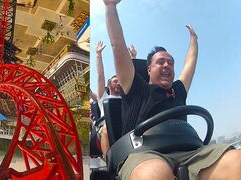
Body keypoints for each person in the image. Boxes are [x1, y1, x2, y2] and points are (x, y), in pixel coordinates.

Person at [102, 0, 241, 180]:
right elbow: (117, 46)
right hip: (145, 155)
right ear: (149, 69)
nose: (167, 65)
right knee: (153, 174)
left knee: (235, 160)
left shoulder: (179, 91)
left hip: (190, 151)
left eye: (170, 62)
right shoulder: (135, 87)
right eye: (160, 62)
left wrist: (194, 40)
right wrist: (110, 7)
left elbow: (190, 62)